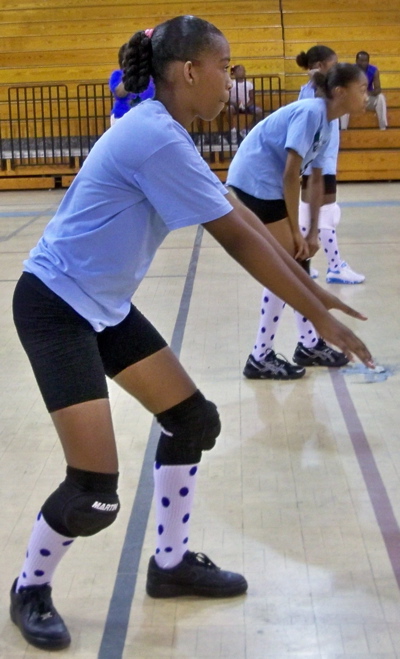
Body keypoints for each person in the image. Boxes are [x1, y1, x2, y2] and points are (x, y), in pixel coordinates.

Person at [10, 17, 373, 651]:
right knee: (93, 492)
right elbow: (236, 240)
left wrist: (317, 297)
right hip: (56, 306)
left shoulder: (170, 134)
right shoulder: (155, 137)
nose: (234, 83)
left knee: (193, 422)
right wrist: (316, 315)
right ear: (189, 72)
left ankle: (170, 566)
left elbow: (244, 219)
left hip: (105, 306)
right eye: (226, 68)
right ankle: (29, 588)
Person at [226, 63, 369, 380]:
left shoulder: (329, 125)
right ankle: (261, 356)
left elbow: (316, 181)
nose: (367, 95)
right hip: (255, 181)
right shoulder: (311, 113)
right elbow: (292, 174)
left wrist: (312, 232)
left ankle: (308, 344)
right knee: (287, 267)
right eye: (362, 88)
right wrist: (294, 231)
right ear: (339, 92)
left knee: (295, 265)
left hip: (271, 184)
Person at [297, 45, 365, 285]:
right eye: (333, 64)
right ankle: (335, 266)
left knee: (308, 214)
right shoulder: (318, 93)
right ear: (321, 66)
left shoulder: (307, 89)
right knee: (327, 214)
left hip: (312, 163)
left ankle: (302, 263)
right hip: (320, 164)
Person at [109, 42, 155, 125]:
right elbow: (120, 93)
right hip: (122, 117)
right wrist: (131, 74)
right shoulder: (117, 75)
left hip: (147, 117)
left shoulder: (150, 76)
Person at [341, 51, 387, 130]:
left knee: (381, 97)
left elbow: (378, 89)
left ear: (368, 61)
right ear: (356, 61)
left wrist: (365, 93)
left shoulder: (374, 70)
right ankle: (343, 128)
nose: (363, 63)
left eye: (365, 61)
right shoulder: (350, 71)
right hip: (353, 99)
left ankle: (383, 127)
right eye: (361, 61)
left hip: (367, 98)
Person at [228, 64, 263, 144]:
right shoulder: (231, 84)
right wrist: (235, 103)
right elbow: (227, 98)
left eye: (243, 70)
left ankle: (246, 130)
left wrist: (246, 105)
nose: (241, 72)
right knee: (229, 109)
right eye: (239, 70)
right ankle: (233, 131)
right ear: (235, 73)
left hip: (247, 105)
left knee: (259, 112)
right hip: (235, 105)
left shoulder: (249, 84)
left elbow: (252, 98)